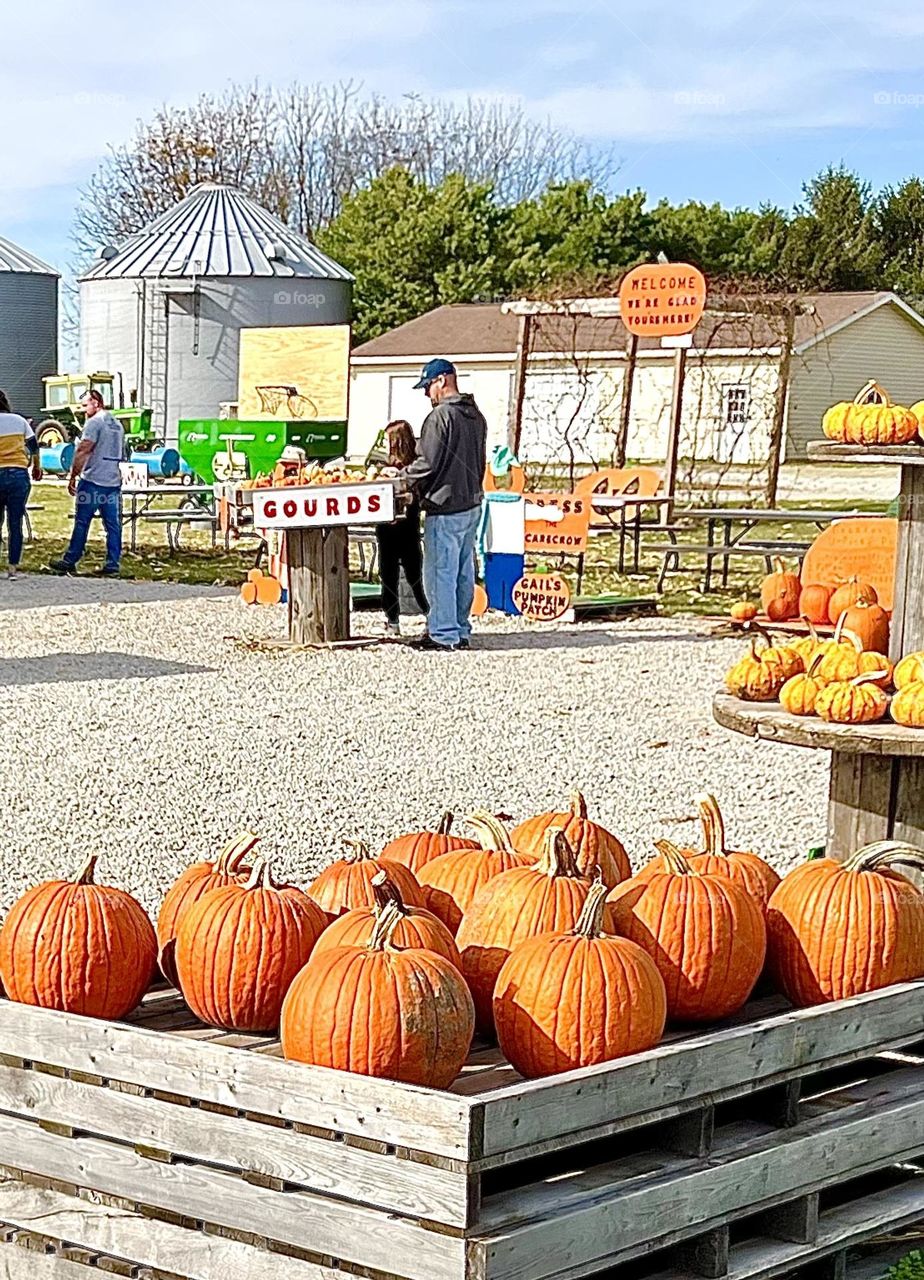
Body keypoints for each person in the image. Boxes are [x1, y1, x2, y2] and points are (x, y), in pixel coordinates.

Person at [402, 359, 487, 652]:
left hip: (444, 506)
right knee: (464, 572)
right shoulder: (476, 416)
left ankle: (442, 633)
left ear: (442, 380)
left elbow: (427, 463)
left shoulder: (440, 418)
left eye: (428, 386)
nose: (428, 394)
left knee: (440, 572)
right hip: (472, 503)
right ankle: (461, 630)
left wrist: (399, 481)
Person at [50, 390, 125, 577]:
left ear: (96, 403)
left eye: (85, 405)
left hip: (93, 480)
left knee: (82, 521)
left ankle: (70, 559)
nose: (83, 410)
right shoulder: (117, 424)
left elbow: (84, 449)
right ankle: (113, 563)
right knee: (113, 525)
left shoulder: (94, 423)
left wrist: (73, 475)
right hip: (113, 481)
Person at [375, 420, 428, 636]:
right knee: (400, 575)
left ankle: (398, 619)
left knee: (403, 576)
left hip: (398, 529)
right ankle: (396, 618)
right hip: (404, 530)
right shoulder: (411, 466)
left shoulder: (409, 469)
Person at [0, 391, 42, 579]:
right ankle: (12, 568)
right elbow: (33, 447)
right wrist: (36, 466)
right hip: (18, 474)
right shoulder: (19, 421)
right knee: (15, 523)